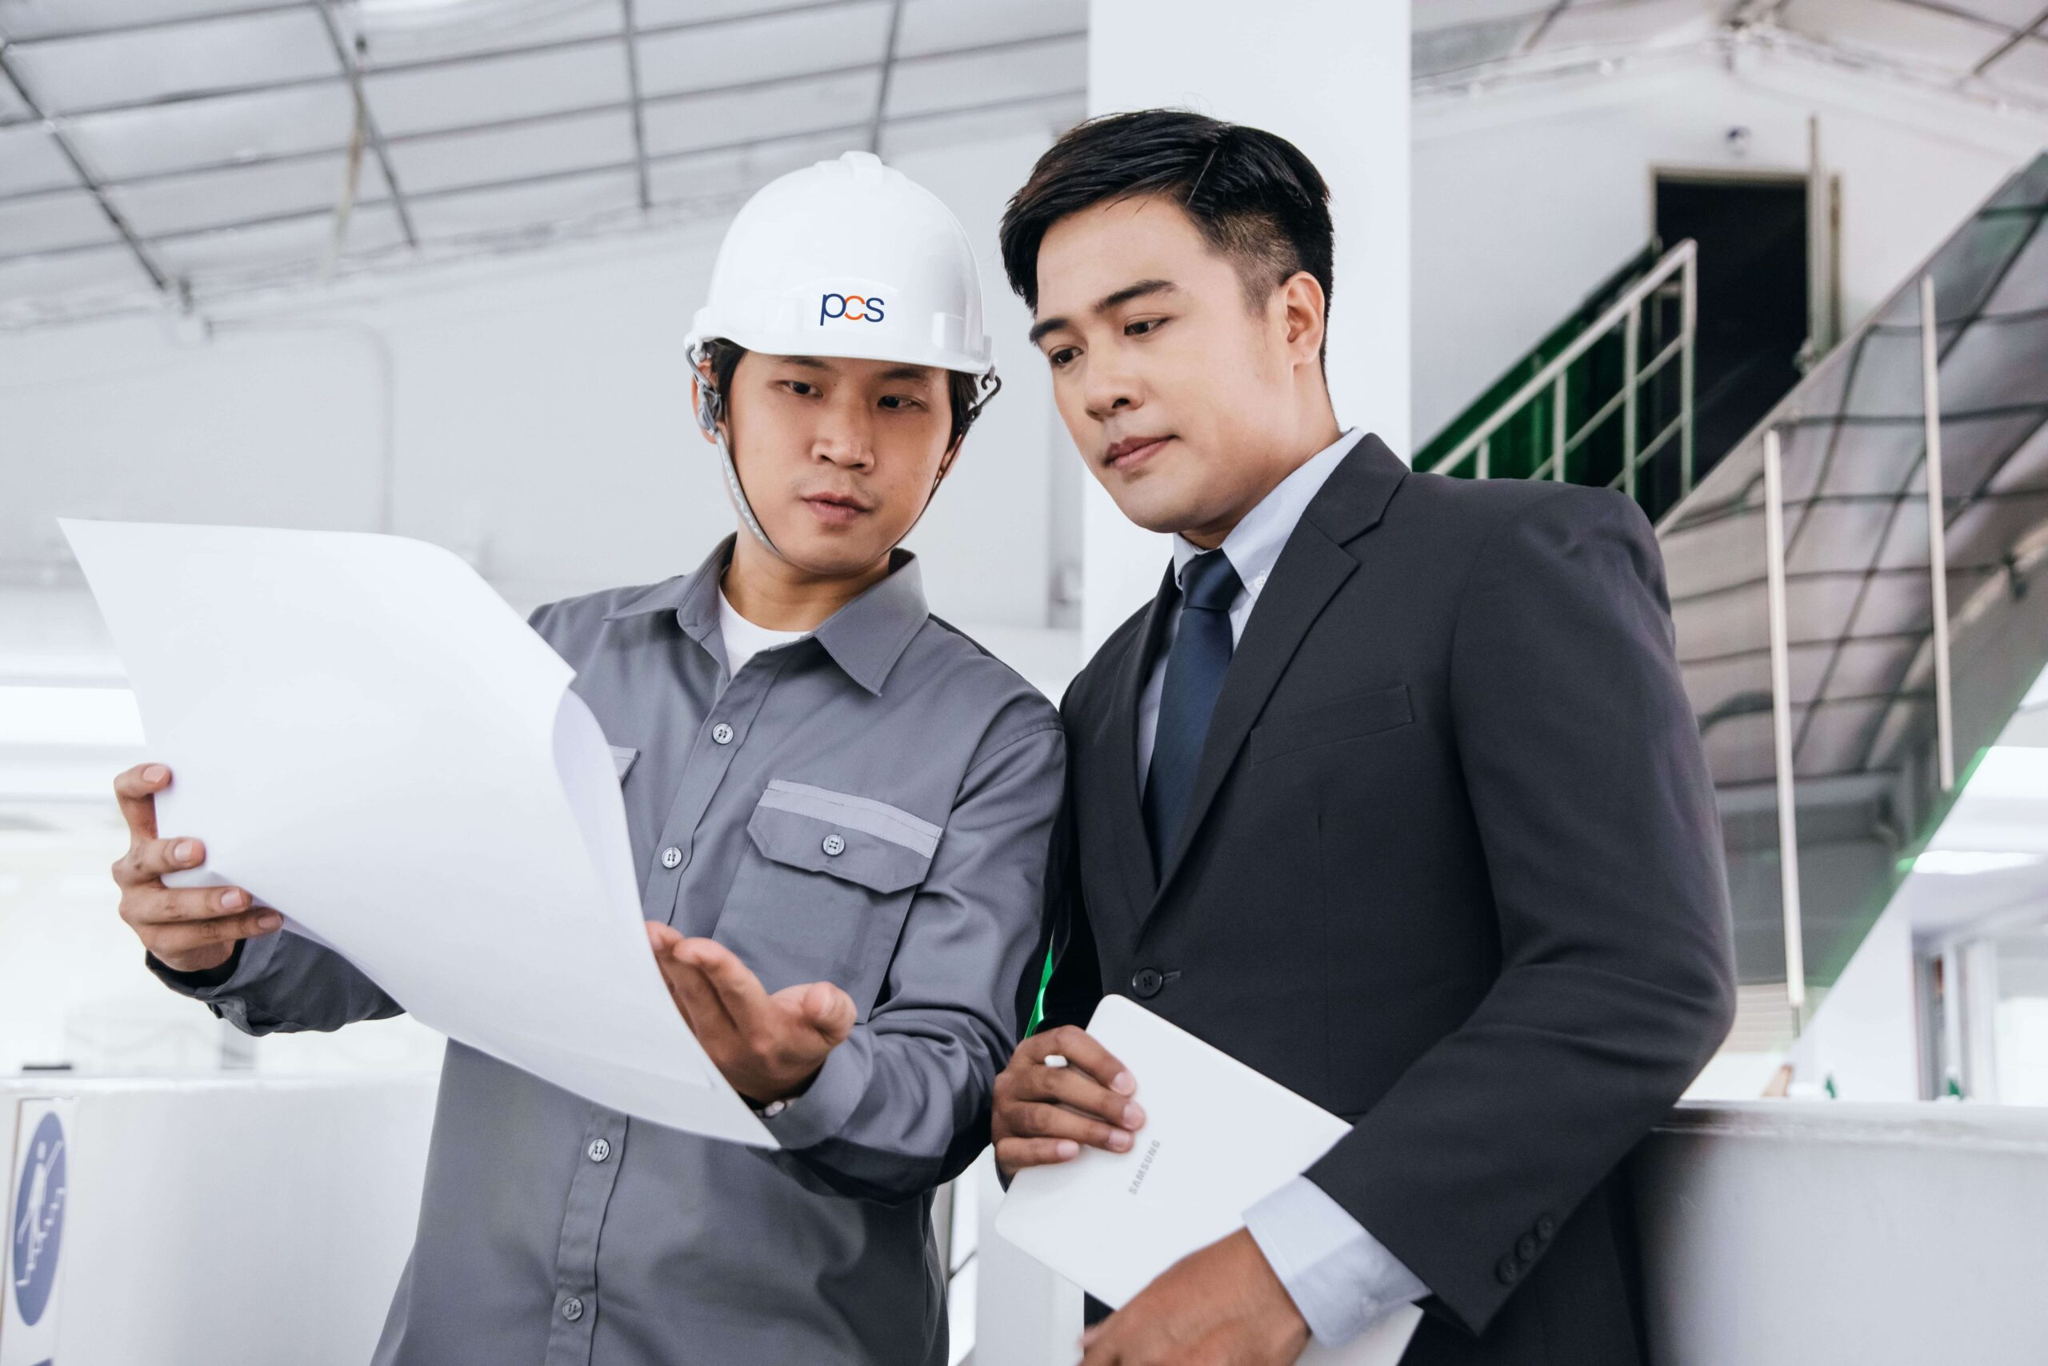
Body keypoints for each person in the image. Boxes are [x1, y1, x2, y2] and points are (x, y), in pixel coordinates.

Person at [107, 150, 1064, 1366]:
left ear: (953, 436)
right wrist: (219, 937)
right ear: (711, 396)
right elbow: (376, 946)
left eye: (897, 398)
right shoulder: (550, 658)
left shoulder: (997, 739)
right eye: (798, 386)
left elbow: (949, 1089)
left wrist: (793, 1075)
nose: (843, 442)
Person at [990, 111, 1736, 1366]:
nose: (1098, 386)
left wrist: (1290, 1269)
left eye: (1142, 322)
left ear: (1293, 317)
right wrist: (1037, 1083)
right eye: (1062, 351)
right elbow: (1128, 992)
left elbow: (1635, 976)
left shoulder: (1512, 558)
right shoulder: (1105, 689)